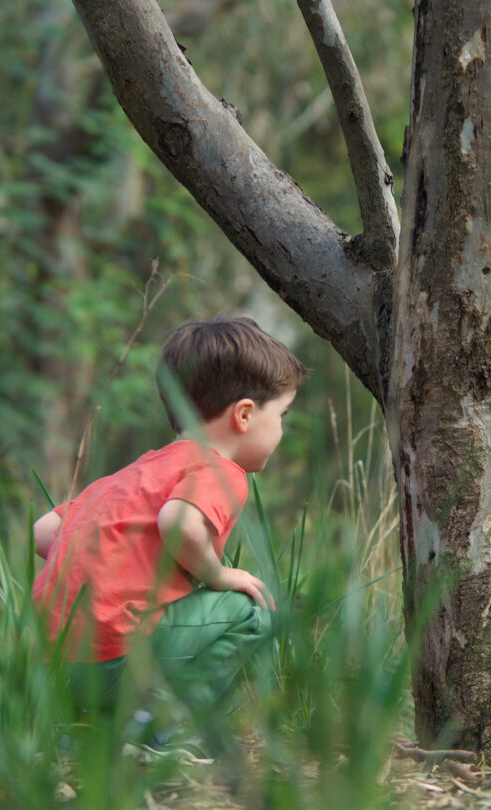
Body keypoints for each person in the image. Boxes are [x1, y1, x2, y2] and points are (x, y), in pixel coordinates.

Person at [31, 315, 305, 748]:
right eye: (283, 414)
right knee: (252, 610)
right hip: (118, 657)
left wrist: (102, 572)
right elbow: (178, 521)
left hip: (56, 660)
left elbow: (45, 531)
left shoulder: (135, 472)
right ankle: (173, 731)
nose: (283, 429)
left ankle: (97, 731)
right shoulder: (221, 469)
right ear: (246, 415)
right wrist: (219, 576)